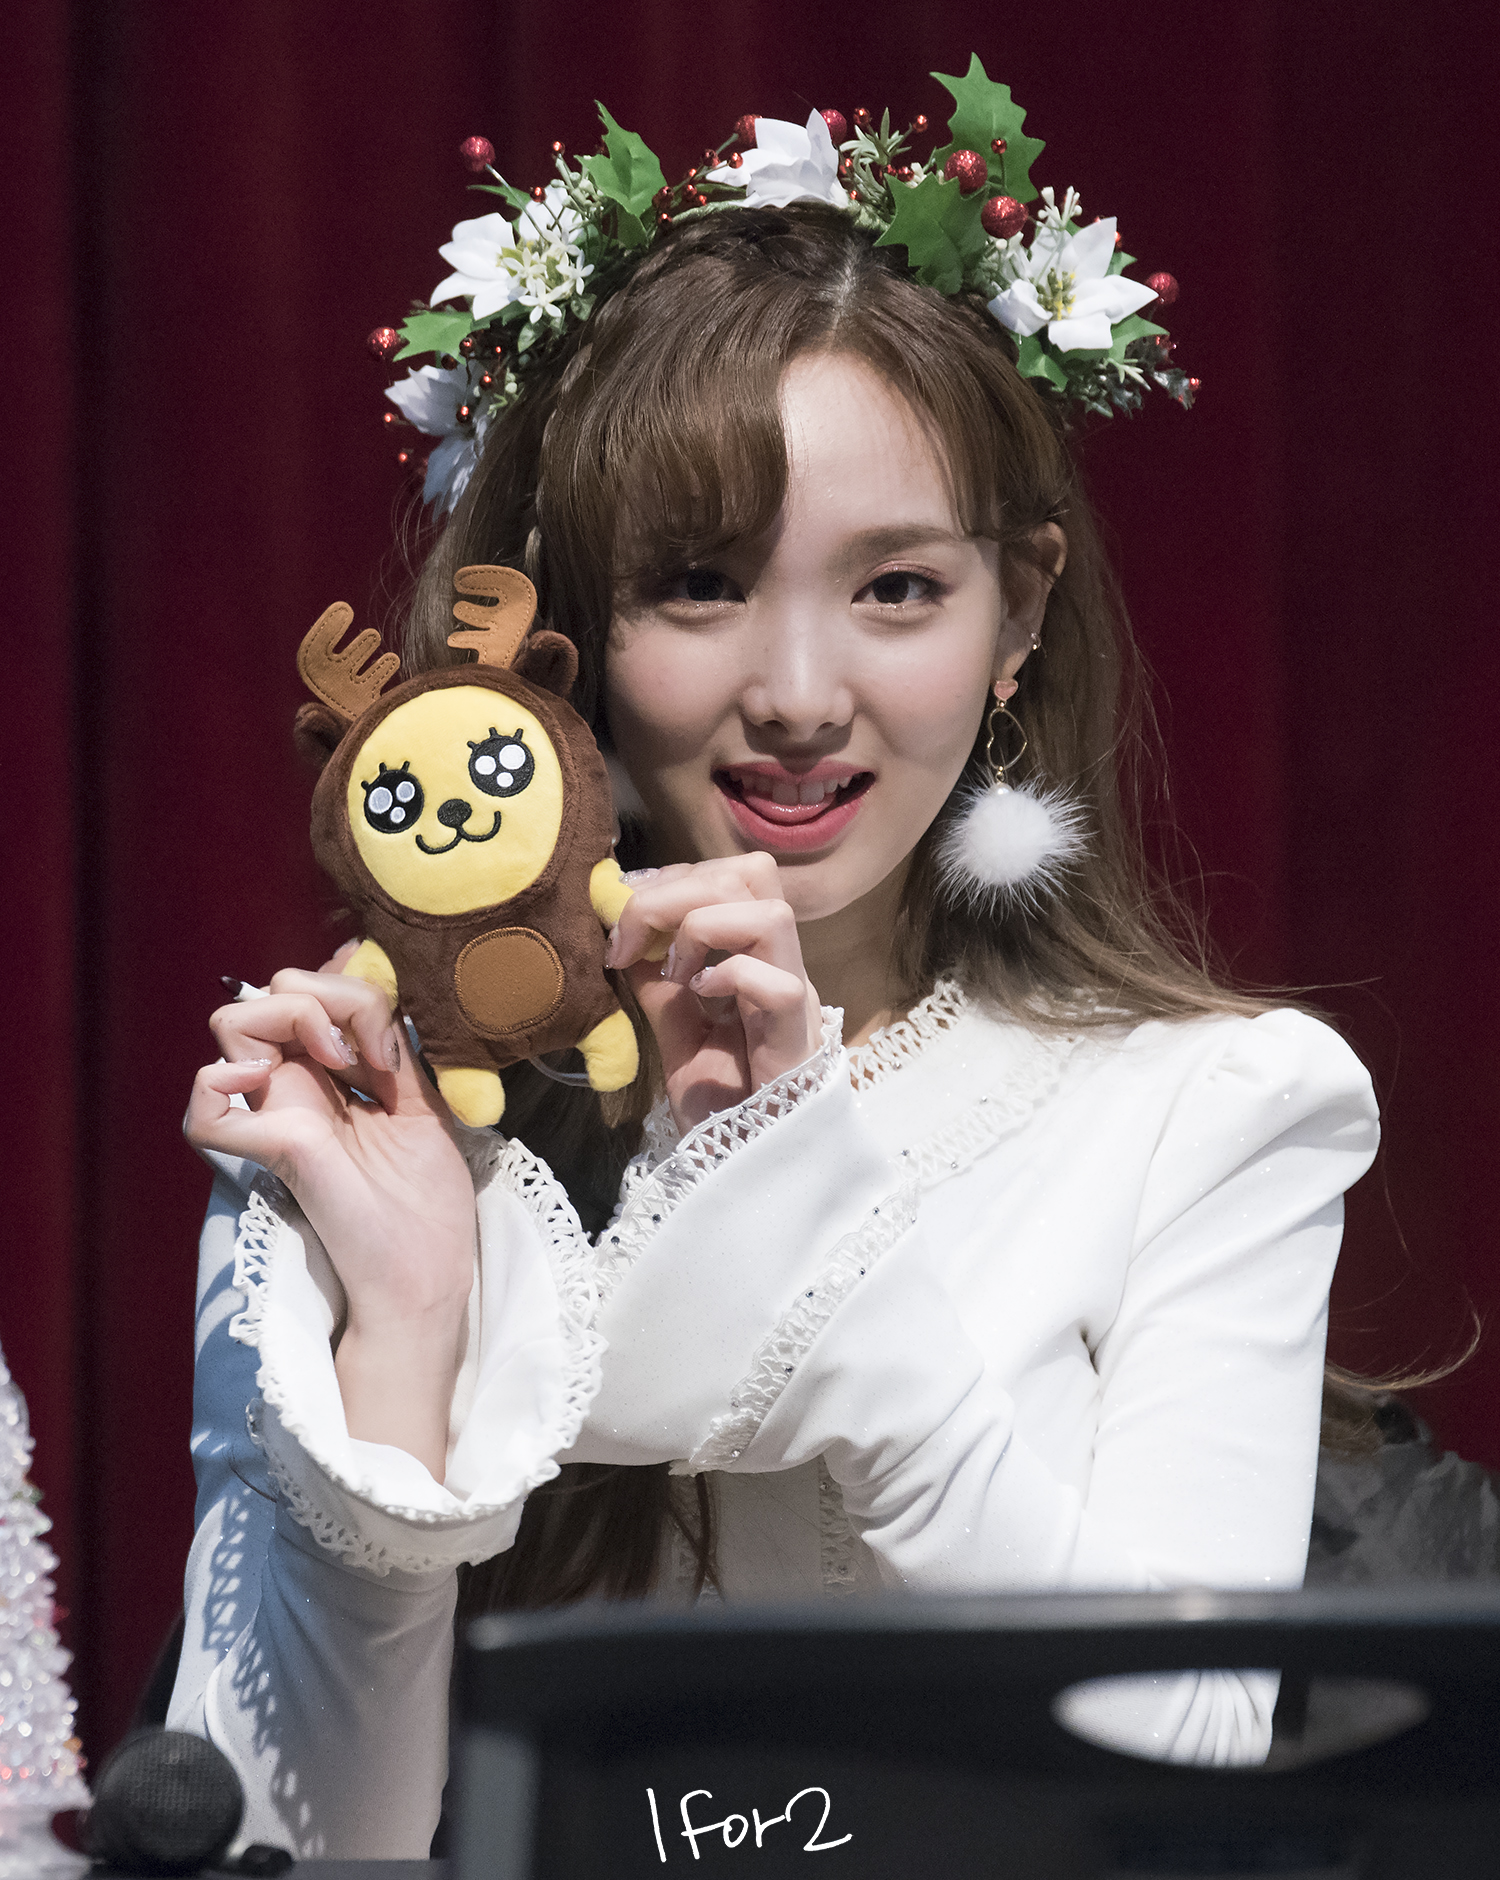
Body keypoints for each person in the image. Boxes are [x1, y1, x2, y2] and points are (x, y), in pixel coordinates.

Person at [169, 105, 1378, 1858]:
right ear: (562, 627)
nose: (801, 693)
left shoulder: (1214, 1109)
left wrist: (811, 1195)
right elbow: (272, 1844)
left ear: (1020, 612)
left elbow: (1183, 1756)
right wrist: (413, 1322)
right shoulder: (373, 1131)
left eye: (897, 587)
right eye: (699, 584)